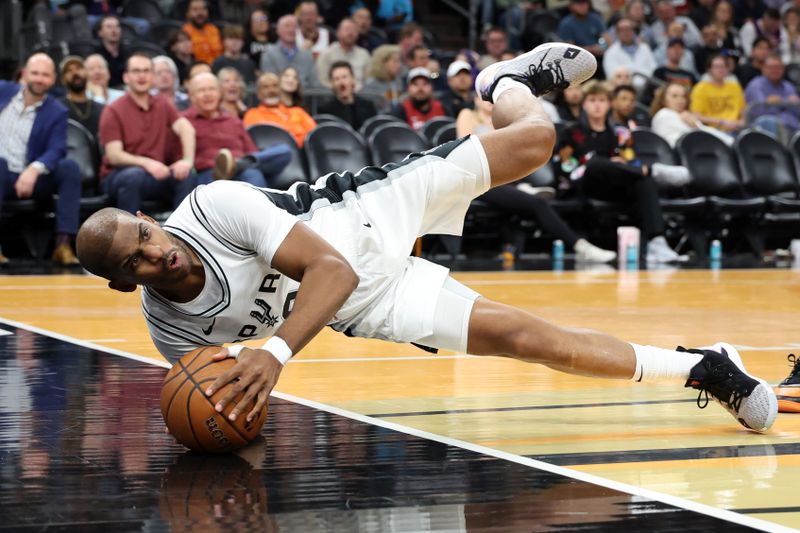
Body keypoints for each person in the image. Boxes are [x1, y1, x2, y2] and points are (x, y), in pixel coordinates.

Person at [74, 42, 778, 436]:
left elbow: (330, 268)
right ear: (122, 281)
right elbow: (231, 400)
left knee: (535, 138)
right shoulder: (172, 332)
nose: (153, 249)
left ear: (153, 216)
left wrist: (274, 354)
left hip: (366, 213)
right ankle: (701, 366)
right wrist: (220, 424)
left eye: (144, 231)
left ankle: (501, 81)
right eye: (134, 260)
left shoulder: (212, 203)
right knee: (538, 341)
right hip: (372, 303)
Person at [457, 93, 616, 263]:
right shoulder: (468, 115)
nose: (488, 101)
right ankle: (581, 247)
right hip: (478, 180)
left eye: (492, 97)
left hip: (505, 177)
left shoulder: (503, 120)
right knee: (538, 203)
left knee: (533, 199)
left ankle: (523, 187)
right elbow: (467, 149)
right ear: (474, 100)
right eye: (483, 97)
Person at [559, 80, 690, 263]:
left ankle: (657, 243)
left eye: (602, 100)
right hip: (586, 184)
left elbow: (630, 162)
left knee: (644, 181)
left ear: (609, 104)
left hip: (616, 184)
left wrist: (620, 165)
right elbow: (568, 168)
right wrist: (605, 163)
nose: (597, 105)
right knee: (596, 164)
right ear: (584, 104)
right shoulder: (571, 132)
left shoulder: (620, 134)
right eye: (592, 100)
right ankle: (653, 170)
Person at [0, 53, 83, 265]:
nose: (39, 79)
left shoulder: (57, 111)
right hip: (1, 173)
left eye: (45, 75)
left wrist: (34, 169)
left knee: (69, 168)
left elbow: (57, 148)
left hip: (31, 178)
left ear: (53, 79)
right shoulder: (3, 91)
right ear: (25, 74)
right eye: (35, 73)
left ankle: (63, 245)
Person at [98, 53, 198, 214]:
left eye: (146, 71)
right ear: (126, 77)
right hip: (119, 176)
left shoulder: (162, 104)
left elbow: (186, 129)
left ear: (152, 76)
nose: (142, 76)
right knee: (134, 176)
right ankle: (129, 237)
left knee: (186, 176)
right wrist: (147, 163)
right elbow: (114, 155)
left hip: (155, 175)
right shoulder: (113, 110)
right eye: (136, 71)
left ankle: (179, 236)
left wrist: (187, 161)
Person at [184, 72, 290, 187]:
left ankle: (237, 165)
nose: (208, 94)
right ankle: (236, 165)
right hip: (210, 174)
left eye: (212, 89)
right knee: (251, 173)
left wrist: (240, 164)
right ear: (191, 95)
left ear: (219, 93)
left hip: (242, 169)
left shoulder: (233, 120)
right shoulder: (184, 122)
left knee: (283, 151)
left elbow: (251, 151)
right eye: (201, 90)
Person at [243, 72, 317, 147]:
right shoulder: (252, 115)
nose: (271, 90)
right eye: (265, 87)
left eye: (275, 86)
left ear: (281, 90)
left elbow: (315, 136)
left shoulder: (298, 112)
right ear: (259, 94)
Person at [651, 82, 733, 147]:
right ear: (663, 99)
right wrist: (695, 127)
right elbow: (684, 141)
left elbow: (706, 132)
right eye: (674, 96)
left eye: (683, 96)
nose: (680, 100)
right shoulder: (664, 114)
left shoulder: (686, 115)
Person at [744, 53, 800, 139]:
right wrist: (786, 103)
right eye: (771, 67)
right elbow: (758, 111)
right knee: (768, 121)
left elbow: (797, 109)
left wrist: (778, 102)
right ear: (763, 68)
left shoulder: (787, 86)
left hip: (792, 127)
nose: (775, 70)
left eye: (778, 67)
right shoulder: (756, 85)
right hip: (765, 130)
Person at [690, 54, 746, 134]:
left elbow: (742, 111)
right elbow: (696, 116)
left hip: (736, 128)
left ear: (727, 69)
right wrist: (722, 122)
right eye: (716, 67)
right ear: (709, 70)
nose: (720, 70)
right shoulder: (700, 88)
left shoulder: (735, 87)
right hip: (713, 130)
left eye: (723, 66)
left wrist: (742, 122)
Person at [261, 15, 317, 89]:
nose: (291, 30)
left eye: (294, 26)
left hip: (304, 97)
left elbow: (315, 84)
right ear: (277, 30)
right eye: (287, 26)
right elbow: (270, 83)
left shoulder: (307, 55)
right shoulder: (268, 54)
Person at [317, 61, 378, 130]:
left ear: (353, 79)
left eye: (344, 77)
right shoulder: (325, 110)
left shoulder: (368, 106)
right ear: (332, 83)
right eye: (337, 79)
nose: (341, 82)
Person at [315, 18, 371, 90]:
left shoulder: (364, 54)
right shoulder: (326, 54)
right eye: (347, 29)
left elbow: (368, 81)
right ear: (338, 33)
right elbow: (322, 81)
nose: (351, 33)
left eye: (354, 30)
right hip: (331, 95)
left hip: (360, 95)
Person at [602, 18, 657, 90]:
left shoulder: (645, 48)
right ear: (617, 33)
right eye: (622, 30)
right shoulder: (610, 52)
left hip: (647, 88)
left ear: (633, 31)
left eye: (628, 29)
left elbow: (653, 68)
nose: (626, 32)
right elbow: (611, 75)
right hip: (622, 89)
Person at [58, 55, 104, 137]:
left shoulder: (101, 109)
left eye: (78, 68)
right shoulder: (57, 108)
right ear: (63, 80)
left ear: (87, 73)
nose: (75, 73)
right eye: (69, 70)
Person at [391, 67, 447, 132]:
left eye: (425, 84)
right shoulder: (400, 110)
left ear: (432, 87)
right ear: (408, 88)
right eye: (415, 84)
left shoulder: (442, 108)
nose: (420, 88)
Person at [182, 0, 223, 66]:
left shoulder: (214, 29)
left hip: (218, 66)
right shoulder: (184, 33)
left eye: (203, 9)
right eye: (195, 9)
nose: (200, 13)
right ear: (187, 13)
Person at [94, 14, 128, 88]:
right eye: (109, 27)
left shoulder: (128, 53)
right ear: (100, 32)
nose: (114, 30)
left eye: (117, 26)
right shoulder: (96, 56)